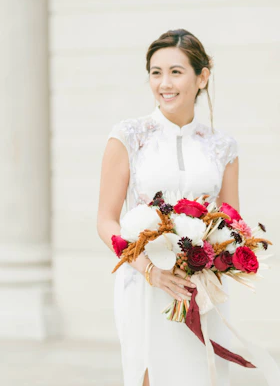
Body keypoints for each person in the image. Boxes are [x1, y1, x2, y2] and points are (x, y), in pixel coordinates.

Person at [97, 29, 239, 386]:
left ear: (202, 76)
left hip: (202, 288)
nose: (164, 83)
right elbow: (106, 221)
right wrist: (149, 270)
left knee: (201, 375)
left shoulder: (222, 146)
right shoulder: (129, 135)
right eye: (155, 72)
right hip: (144, 283)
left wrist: (217, 257)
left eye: (176, 71)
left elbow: (232, 220)